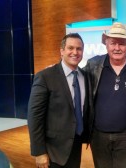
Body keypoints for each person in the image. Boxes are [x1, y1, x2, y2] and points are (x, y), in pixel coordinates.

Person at [84, 22, 126, 168]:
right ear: (106, 44)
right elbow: (75, 79)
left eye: (122, 44)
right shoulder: (93, 65)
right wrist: (57, 71)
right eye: (113, 43)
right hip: (98, 134)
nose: (117, 48)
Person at [27, 33, 91, 168]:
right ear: (62, 51)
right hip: (53, 151)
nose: (75, 52)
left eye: (79, 49)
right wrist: (39, 152)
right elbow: (34, 117)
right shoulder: (45, 77)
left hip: (76, 145)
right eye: (70, 48)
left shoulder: (85, 77)